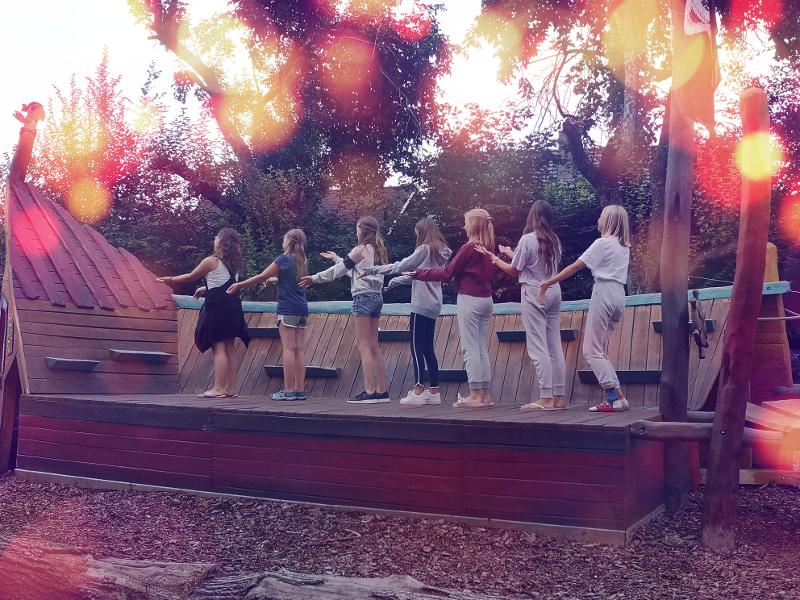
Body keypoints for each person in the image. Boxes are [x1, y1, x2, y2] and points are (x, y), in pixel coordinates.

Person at [539, 204, 631, 412]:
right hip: (619, 295)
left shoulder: (602, 243)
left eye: (601, 216)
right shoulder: (624, 247)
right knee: (599, 351)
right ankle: (619, 398)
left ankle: (612, 399)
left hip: (604, 293)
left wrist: (548, 282)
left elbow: (576, 266)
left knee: (591, 351)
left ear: (607, 221)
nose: (598, 219)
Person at [477, 200, 566, 411]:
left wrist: (494, 258)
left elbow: (514, 271)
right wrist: (509, 252)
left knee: (537, 346)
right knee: (554, 346)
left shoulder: (527, 239)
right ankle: (559, 397)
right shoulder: (554, 240)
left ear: (532, 216)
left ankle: (546, 397)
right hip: (554, 292)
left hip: (534, 293)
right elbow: (531, 262)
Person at [409, 208, 495, 408]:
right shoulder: (488, 247)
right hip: (486, 300)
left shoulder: (469, 247)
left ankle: (475, 395)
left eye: (466, 222)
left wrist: (418, 273)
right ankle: (485, 395)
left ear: (473, 224)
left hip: (470, 300)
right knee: (481, 348)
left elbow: (447, 273)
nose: (464, 226)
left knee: (470, 348)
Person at [363, 218, 452, 405]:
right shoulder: (440, 252)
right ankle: (434, 391)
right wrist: (394, 283)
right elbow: (418, 276)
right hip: (434, 304)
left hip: (421, 304)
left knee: (416, 347)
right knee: (428, 348)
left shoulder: (424, 249)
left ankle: (418, 390)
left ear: (421, 232)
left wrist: (372, 270)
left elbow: (401, 266)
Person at [300, 216, 389, 403]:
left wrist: (314, 278)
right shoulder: (378, 251)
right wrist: (336, 258)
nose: (355, 231)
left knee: (363, 346)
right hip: (377, 298)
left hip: (362, 298)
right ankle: (382, 391)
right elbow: (354, 272)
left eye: (357, 228)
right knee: (374, 345)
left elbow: (339, 271)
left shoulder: (360, 249)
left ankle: (369, 391)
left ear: (362, 230)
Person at [158, 228, 250, 398]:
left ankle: (218, 388)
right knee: (229, 348)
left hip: (218, 308)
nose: (214, 239)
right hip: (233, 307)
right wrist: (205, 288)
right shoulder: (234, 264)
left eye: (217, 237)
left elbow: (191, 276)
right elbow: (224, 284)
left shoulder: (211, 261)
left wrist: (170, 279)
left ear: (221, 242)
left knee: (218, 347)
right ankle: (230, 389)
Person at [228, 229, 309, 401]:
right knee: (299, 349)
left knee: (288, 349)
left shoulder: (282, 259)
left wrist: (239, 285)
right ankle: (299, 390)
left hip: (287, 309)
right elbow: (293, 281)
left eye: (284, 239)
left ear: (288, 241)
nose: (282, 241)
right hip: (302, 309)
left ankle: (288, 391)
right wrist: (276, 279)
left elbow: (261, 276)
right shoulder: (302, 260)